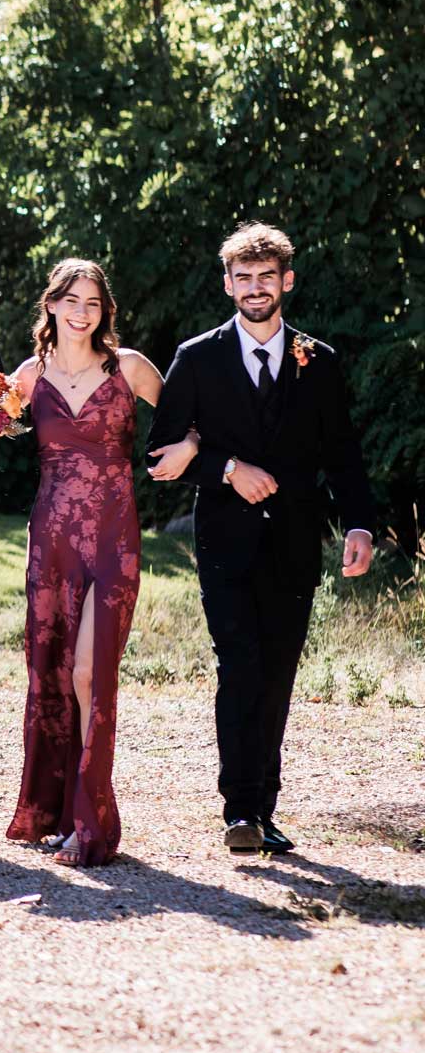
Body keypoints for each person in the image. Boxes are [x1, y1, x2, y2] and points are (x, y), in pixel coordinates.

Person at [147, 223, 376, 856]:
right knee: (239, 666)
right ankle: (239, 809)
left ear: (287, 282)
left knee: (277, 673)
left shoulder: (319, 361)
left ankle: (265, 808)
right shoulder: (196, 358)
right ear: (228, 284)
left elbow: (344, 454)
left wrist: (359, 524)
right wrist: (224, 467)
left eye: (266, 277)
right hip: (224, 544)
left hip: (297, 544)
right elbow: (160, 453)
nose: (255, 288)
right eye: (243, 278)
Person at [1, 259, 192, 866]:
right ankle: (56, 814)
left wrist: (186, 447)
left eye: (94, 302)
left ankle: (93, 821)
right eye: (71, 299)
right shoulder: (29, 376)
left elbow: (194, 417)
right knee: (53, 673)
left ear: (104, 310)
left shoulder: (129, 367)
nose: (82, 311)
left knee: (90, 673)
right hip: (51, 538)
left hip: (113, 535)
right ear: (51, 304)